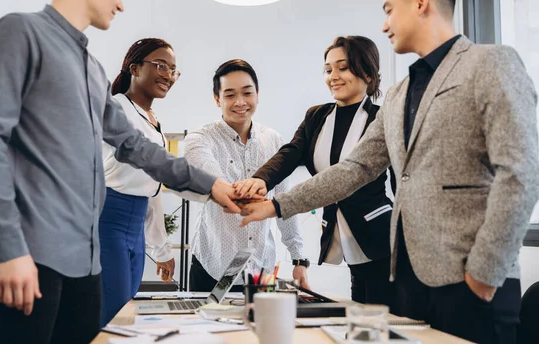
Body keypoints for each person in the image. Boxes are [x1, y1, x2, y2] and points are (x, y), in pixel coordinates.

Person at [236, 0, 539, 344]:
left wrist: (484, 272)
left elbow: (521, 174)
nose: (384, 24)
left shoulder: (491, 64)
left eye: (389, 10)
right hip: (409, 282)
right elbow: (353, 169)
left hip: (472, 282)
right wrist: (276, 206)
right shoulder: (398, 95)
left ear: (421, 2)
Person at [0, 0, 240, 343]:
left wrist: (213, 186)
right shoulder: (19, 33)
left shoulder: (92, 70)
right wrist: (8, 249)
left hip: (83, 261)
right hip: (27, 252)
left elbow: (137, 147)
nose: (122, 4)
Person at [234, 36, 395, 307]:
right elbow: (290, 153)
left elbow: (350, 176)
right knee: (360, 314)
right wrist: (260, 180)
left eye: (343, 67)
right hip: (344, 237)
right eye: (328, 69)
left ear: (367, 71)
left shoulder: (383, 119)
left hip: (380, 238)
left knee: (381, 320)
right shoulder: (317, 116)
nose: (333, 76)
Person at [184, 59, 309, 292]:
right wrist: (234, 194)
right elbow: (212, 176)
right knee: (205, 327)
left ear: (258, 95)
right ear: (217, 99)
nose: (240, 102)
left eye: (247, 93)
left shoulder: (272, 139)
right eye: (230, 95)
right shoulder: (200, 138)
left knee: (260, 325)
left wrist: (299, 258)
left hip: (261, 267)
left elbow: (285, 202)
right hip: (213, 265)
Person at [99, 38, 182, 326]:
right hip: (108, 223)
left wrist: (162, 249)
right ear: (134, 68)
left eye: (173, 70)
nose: (168, 75)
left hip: (134, 229)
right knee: (113, 316)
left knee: (125, 313)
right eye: (161, 66)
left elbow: (151, 190)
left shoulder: (151, 120)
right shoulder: (116, 109)